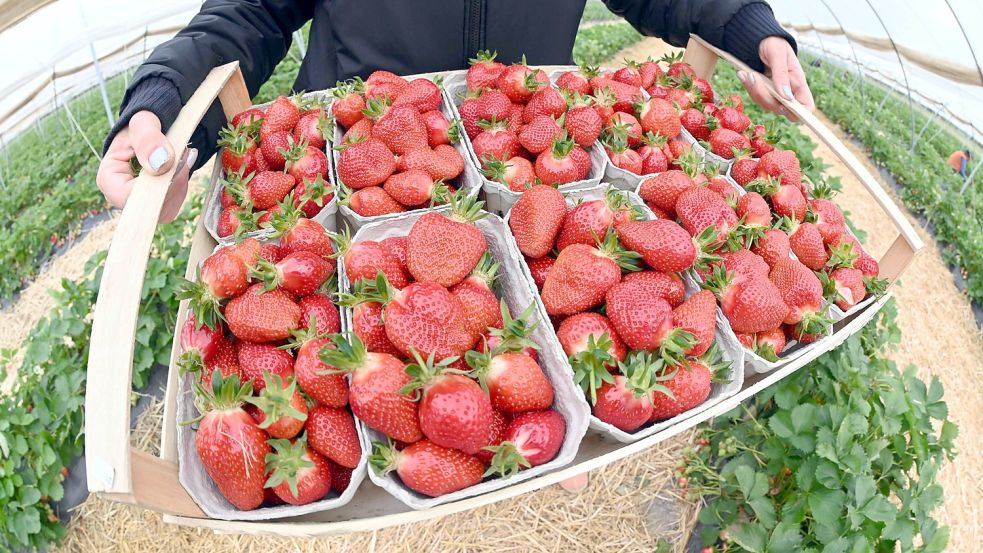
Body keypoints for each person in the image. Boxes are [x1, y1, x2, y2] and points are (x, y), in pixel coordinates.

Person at [97, 0, 816, 222]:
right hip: (349, 176)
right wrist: (163, 101)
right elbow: (244, 18)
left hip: (517, 168)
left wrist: (751, 32)